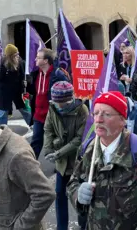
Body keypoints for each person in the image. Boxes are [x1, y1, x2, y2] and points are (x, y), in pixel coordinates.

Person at [67, 91, 137, 229]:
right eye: (96, 113)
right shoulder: (87, 149)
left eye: (106, 114)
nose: (98, 119)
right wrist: (78, 195)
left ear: (122, 120)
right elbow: (73, 182)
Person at [43, 81, 88, 230]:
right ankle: (61, 227)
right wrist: (48, 150)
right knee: (59, 196)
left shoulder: (82, 111)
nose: (58, 106)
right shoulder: (52, 108)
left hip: (78, 163)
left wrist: (58, 153)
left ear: (70, 100)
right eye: (55, 102)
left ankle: (84, 226)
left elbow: (79, 140)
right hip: (61, 163)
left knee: (81, 200)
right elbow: (48, 129)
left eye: (60, 103)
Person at [26, 48, 70, 159]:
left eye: (38, 57)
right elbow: (33, 92)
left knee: (57, 141)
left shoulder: (58, 74)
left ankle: (60, 164)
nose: (35, 59)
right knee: (36, 141)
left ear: (46, 61)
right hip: (38, 115)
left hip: (53, 115)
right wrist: (26, 85)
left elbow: (68, 92)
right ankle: (30, 163)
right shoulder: (35, 74)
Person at [0, 44, 31, 125]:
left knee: (24, 109)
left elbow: (23, 75)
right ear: (10, 56)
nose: (18, 56)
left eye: (18, 54)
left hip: (17, 91)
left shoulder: (20, 62)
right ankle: (2, 129)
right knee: (3, 112)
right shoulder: (1, 63)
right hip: (5, 92)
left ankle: (32, 124)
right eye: (15, 54)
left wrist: (24, 86)